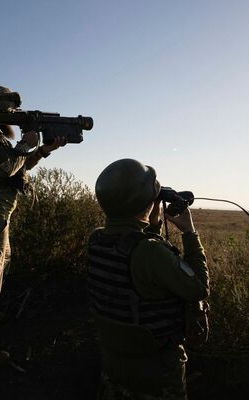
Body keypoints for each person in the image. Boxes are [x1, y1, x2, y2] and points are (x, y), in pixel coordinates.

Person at [0, 85, 66, 368]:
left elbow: (16, 167)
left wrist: (41, 150)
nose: (15, 116)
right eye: (12, 112)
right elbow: (7, 166)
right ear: (1, 110)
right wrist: (27, 143)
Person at [89, 159, 210, 399]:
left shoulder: (96, 240)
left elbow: (134, 267)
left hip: (115, 360)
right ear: (145, 204)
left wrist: (151, 225)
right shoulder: (150, 252)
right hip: (156, 368)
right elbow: (198, 288)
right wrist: (189, 232)